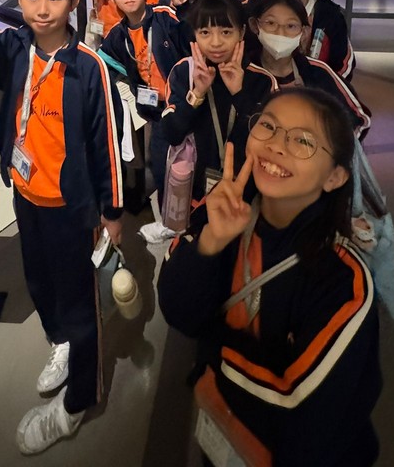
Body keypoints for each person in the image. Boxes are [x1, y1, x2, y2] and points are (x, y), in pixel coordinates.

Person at [0, 0, 124, 455]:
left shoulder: (88, 66)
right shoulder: (15, 50)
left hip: (72, 207)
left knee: (82, 302)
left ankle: (78, 401)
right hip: (27, 195)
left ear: (74, 2)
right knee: (40, 281)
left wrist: (112, 211)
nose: (42, 9)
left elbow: (107, 146)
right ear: (19, 1)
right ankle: (60, 343)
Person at [158, 88, 381, 467]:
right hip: (225, 437)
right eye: (269, 126)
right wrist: (212, 240)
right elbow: (178, 312)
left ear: (335, 177)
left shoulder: (344, 282)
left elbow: (301, 410)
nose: (277, 145)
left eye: (303, 141)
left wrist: (212, 364)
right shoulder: (223, 214)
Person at [151, 0, 248, 244]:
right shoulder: (184, 72)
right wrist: (197, 93)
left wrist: (240, 95)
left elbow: (259, 138)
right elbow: (172, 133)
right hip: (197, 193)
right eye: (205, 32)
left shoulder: (258, 77)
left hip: (244, 193)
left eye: (226, 32)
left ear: (242, 32)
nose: (215, 43)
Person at [99, 0, 192, 205]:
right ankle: (168, 219)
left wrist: (185, 8)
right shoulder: (117, 36)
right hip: (157, 114)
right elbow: (101, 64)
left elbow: (191, 39)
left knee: (192, 169)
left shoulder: (164, 16)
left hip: (187, 107)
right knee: (161, 171)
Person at [237, 0, 370, 142]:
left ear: (304, 31)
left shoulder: (318, 73)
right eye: (271, 23)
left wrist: (329, 153)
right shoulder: (241, 73)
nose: (280, 32)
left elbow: (358, 119)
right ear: (255, 25)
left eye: (291, 26)